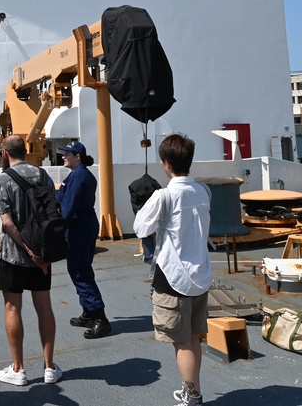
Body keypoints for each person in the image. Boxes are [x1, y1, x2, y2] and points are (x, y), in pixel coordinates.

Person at [134, 134, 212, 406]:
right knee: (194, 338)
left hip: (173, 276)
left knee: (181, 343)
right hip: (201, 274)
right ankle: (193, 390)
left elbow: (141, 228)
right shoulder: (203, 191)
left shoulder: (164, 196)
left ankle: (193, 397)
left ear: (166, 163)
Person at [0, 134, 61, 386]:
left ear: (5, 152)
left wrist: (27, 249)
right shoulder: (43, 175)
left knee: (12, 308)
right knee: (44, 307)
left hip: (13, 254)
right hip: (43, 254)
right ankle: (50, 367)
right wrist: (38, 253)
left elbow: (7, 222)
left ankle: (18, 369)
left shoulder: (1, 180)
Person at [57, 141, 111, 339]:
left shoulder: (78, 176)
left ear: (77, 156)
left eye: (67, 154)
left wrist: (57, 231)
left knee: (80, 271)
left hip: (79, 228)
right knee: (81, 268)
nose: (64, 157)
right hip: (85, 225)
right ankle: (88, 312)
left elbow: (68, 207)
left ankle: (100, 318)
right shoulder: (82, 174)